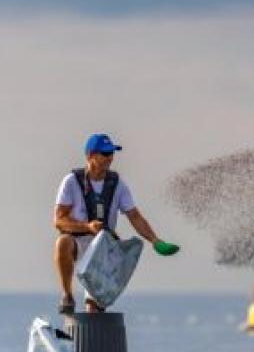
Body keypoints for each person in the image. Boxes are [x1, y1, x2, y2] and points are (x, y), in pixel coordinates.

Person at [54, 133, 179, 314]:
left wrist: (155, 241)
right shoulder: (71, 182)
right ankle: (67, 295)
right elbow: (59, 221)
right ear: (90, 156)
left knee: (94, 311)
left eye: (112, 153)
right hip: (78, 242)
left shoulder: (118, 184)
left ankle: (94, 312)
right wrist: (87, 227)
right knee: (62, 243)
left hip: (103, 248)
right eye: (105, 154)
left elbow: (134, 216)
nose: (110, 158)